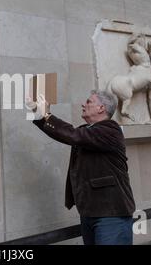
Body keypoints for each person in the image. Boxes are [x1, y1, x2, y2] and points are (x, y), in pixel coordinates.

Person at [26, 90, 136, 245]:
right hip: (89, 213)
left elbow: (72, 134)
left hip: (112, 215)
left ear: (101, 108)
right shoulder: (87, 130)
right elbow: (68, 134)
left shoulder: (111, 130)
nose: (83, 104)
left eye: (89, 101)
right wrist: (37, 112)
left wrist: (47, 114)